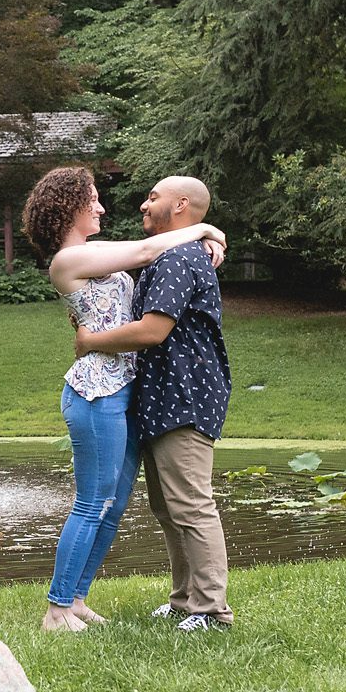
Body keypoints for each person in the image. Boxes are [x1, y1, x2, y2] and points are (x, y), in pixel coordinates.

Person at [21, 166, 226, 633]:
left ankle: (77, 599)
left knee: (113, 505)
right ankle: (56, 609)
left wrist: (207, 241)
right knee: (92, 502)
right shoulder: (66, 261)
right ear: (70, 206)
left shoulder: (96, 253)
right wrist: (209, 228)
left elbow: (159, 250)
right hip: (96, 393)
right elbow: (150, 248)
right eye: (92, 199)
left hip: (126, 390)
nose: (102, 206)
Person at [74, 176, 233, 632]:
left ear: (181, 204)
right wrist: (210, 233)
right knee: (168, 508)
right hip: (163, 395)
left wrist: (91, 342)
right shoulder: (173, 252)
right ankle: (185, 599)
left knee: (191, 503)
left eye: (154, 197)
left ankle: (212, 610)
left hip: (185, 394)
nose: (144, 204)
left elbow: (152, 330)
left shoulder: (178, 258)